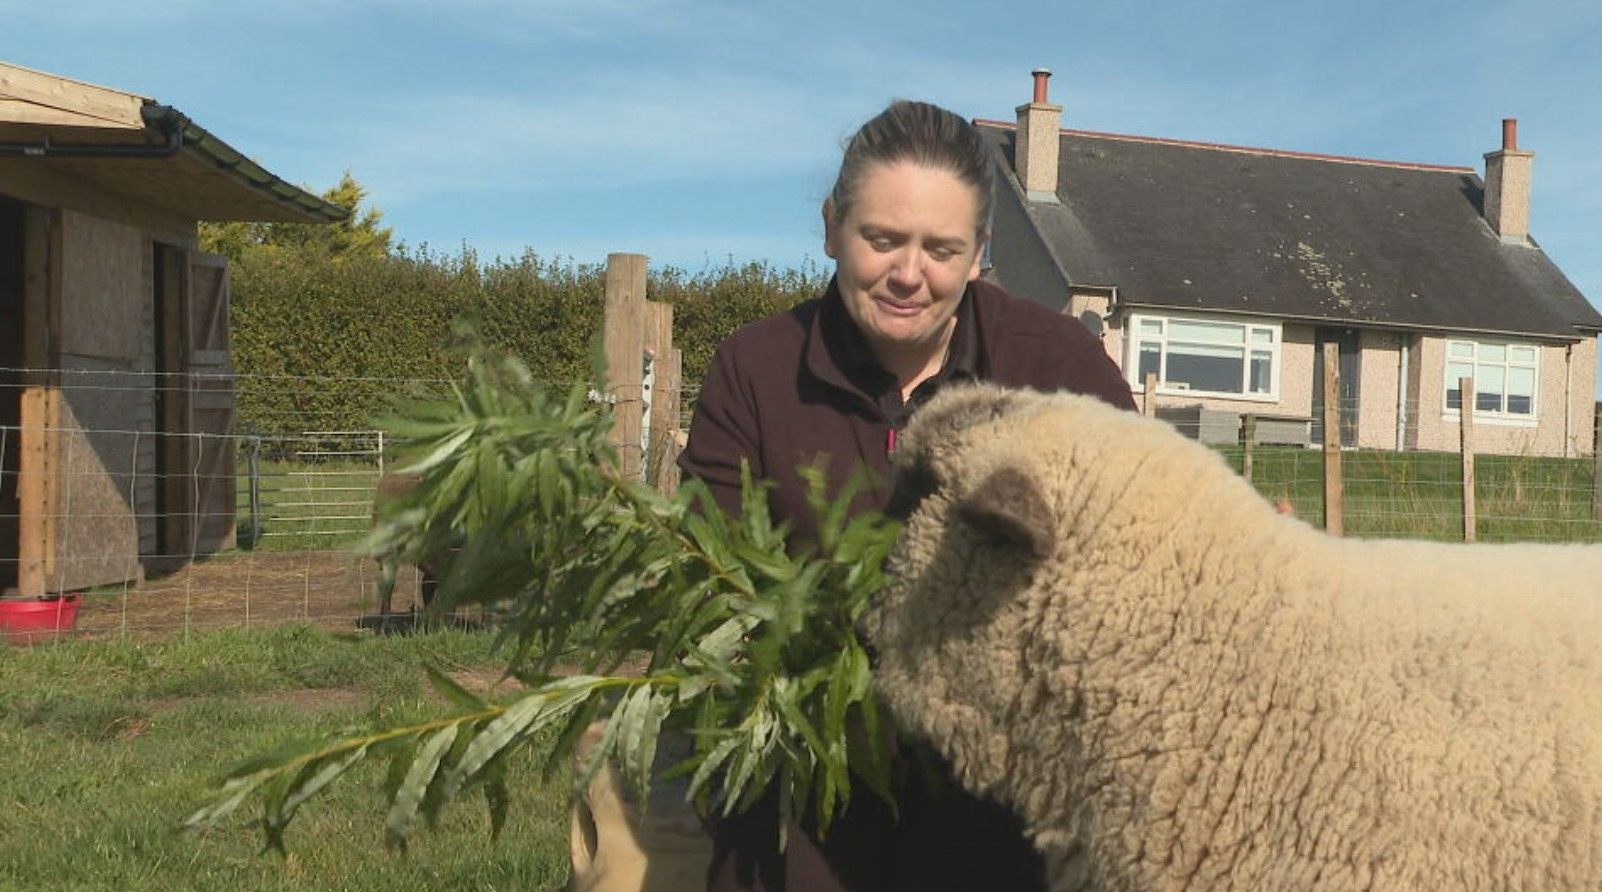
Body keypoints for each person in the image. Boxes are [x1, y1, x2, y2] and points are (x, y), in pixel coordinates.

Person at [679, 99, 1136, 891]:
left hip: (1008, 807)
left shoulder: (1056, 367)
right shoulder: (754, 371)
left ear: (978, 255)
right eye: (881, 239)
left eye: (940, 248)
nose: (908, 274)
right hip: (812, 788)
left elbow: (1137, 552)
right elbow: (707, 586)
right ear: (831, 227)